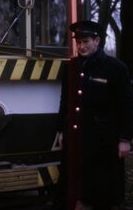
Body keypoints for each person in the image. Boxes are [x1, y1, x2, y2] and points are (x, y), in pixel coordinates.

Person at [54, 20, 133, 210]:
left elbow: (127, 106)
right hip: (76, 138)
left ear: (97, 40)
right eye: (78, 42)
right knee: (74, 187)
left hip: (103, 142)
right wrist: (60, 130)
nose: (81, 46)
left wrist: (125, 139)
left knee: (101, 192)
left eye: (86, 41)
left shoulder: (116, 68)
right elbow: (65, 100)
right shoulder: (71, 68)